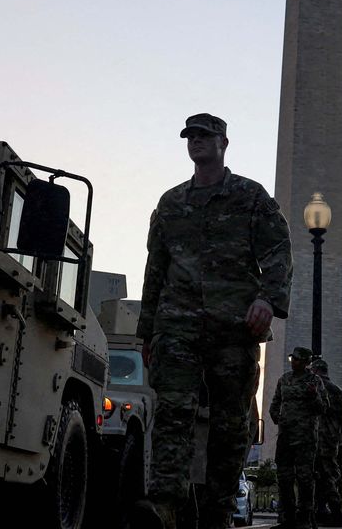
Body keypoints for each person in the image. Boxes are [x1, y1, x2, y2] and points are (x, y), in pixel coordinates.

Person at [139, 113, 294, 529]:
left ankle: (218, 509)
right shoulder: (171, 203)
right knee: (172, 412)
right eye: (190, 136)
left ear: (224, 142)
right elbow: (155, 268)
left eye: (204, 136)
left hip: (233, 328)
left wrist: (268, 300)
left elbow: (279, 249)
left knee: (231, 424)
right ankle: (165, 504)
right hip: (177, 326)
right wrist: (147, 331)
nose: (196, 142)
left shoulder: (250, 197)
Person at [272, 346, 330, 529]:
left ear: (306, 362)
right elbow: (275, 402)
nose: (293, 362)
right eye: (292, 359)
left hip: (305, 438)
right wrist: (277, 417)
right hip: (285, 436)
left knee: (305, 479)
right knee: (284, 478)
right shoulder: (284, 379)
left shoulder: (314, 381)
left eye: (297, 359)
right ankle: (287, 519)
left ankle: (304, 519)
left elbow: (324, 408)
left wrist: (314, 397)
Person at [311, 357, 342, 526]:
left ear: (315, 371)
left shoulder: (314, 389)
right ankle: (332, 512)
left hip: (314, 440)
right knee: (330, 478)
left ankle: (325, 512)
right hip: (333, 442)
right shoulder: (338, 391)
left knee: (316, 477)